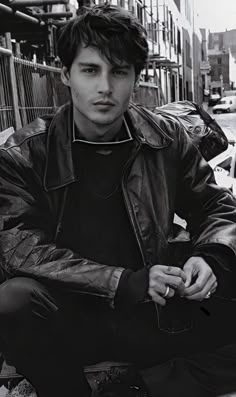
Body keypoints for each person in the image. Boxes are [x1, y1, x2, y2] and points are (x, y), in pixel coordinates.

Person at [0, 4, 236, 397]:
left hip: (156, 314)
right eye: (90, 70)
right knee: (12, 302)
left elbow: (215, 207)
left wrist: (211, 257)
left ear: (135, 77)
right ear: (67, 76)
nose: (105, 87)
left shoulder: (167, 138)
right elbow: (19, 249)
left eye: (120, 71)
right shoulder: (24, 154)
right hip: (69, 318)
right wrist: (125, 283)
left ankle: (134, 387)